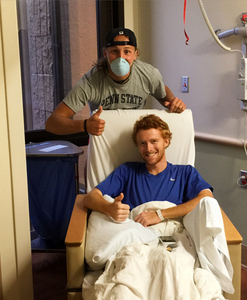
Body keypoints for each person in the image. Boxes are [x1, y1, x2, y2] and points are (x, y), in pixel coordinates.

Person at [45, 27, 186, 136]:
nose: (121, 58)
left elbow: (163, 93)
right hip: (104, 141)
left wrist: (174, 102)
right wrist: (85, 125)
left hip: (136, 139)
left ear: (136, 54)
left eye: (127, 52)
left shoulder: (148, 74)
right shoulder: (91, 81)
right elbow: (52, 123)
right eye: (114, 52)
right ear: (105, 53)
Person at [83, 114, 213, 227]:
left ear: (166, 142)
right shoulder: (127, 171)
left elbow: (207, 198)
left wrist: (160, 215)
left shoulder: (185, 173)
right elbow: (90, 198)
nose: (148, 148)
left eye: (154, 141)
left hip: (172, 236)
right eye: (142, 143)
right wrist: (109, 208)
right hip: (135, 234)